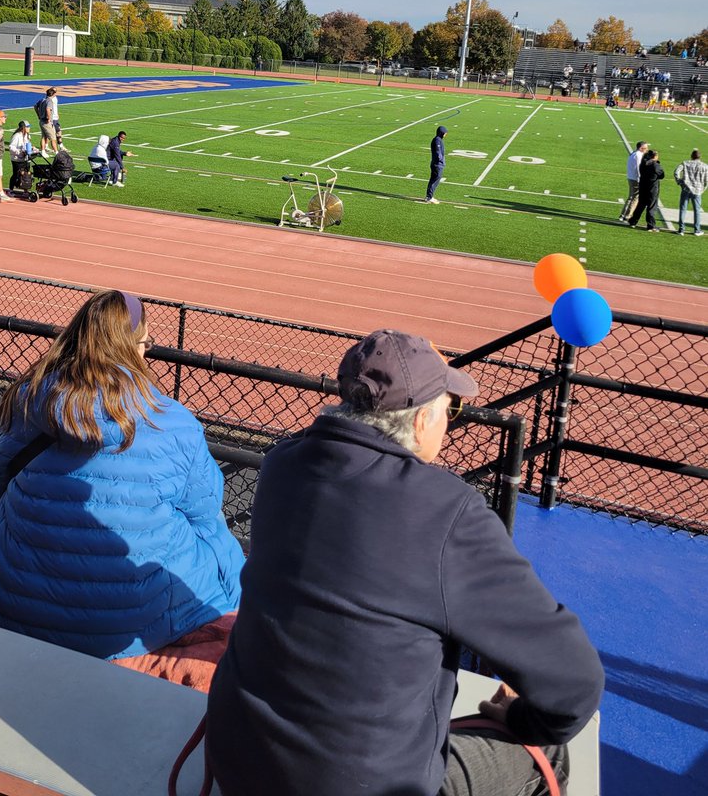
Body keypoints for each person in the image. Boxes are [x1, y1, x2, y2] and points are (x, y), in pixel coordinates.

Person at [205, 330, 604, 796]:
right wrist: (519, 718)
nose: (450, 423)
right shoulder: (446, 511)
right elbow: (573, 685)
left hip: (240, 762)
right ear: (420, 421)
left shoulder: (283, 464)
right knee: (549, 750)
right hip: (359, 785)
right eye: (451, 409)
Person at [0, 290, 244, 660]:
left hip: (11, 600)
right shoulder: (175, 421)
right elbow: (204, 509)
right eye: (145, 344)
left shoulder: (29, 397)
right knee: (213, 541)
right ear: (133, 347)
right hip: (131, 621)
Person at [627, 149, 664, 232]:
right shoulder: (656, 165)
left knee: (641, 205)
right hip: (652, 188)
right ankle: (651, 225)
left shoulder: (643, 163)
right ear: (655, 156)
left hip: (643, 186)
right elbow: (662, 175)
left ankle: (633, 221)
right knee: (651, 206)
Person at [674, 149, 707, 237]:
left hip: (686, 189)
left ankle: (681, 229)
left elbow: (676, 172)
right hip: (697, 191)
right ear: (700, 157)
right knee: (697, 211)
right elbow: (706, 181)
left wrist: (680, 182)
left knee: (683, 209)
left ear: (691, 156)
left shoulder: (685, 163)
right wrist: (702, 189)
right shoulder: (705, 166)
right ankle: (697, 230)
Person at [619, 141, 649, 223]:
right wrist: (641, 179)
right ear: (641, 148)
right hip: (635, 179)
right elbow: (639, 168)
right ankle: (627, 216)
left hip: (631, 177)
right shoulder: (638, 155)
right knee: (635, 198)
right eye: (645, 148)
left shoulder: (634, 153)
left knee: (631, 197)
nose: (647, 150)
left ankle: (623, 214)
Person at [424, 125, 447, 204]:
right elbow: (438, 152)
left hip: (438, 164)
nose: (446, 134)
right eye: (445, 133)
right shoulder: (437, 140)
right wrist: (440, 160)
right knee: (434, 180)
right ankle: (429, 197)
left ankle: (429, 196)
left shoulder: (438, 139)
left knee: (434, 180)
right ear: (441, 133)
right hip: (437, 164)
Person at [8, 120, 34, 190]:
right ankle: (10, 190)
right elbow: (11, 147)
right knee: (16, 175)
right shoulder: (17, 136)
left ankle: (25, 190)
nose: (29, 128)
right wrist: (19, 152)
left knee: (26, 175)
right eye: (27, 127)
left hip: (25, 159)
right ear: (23, 127)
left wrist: (32, 148)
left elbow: (27, 145)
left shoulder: (27, 135)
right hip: (17, 159)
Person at [38, 87, 59, 156]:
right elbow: (48, 109)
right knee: (53, 138)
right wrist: (49, 118)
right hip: (47, 122)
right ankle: (56, 152)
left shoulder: (42, 100)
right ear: (53, 94)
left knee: (44, 137)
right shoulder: (49, 101)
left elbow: (35, 106)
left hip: (41, 121)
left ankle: (43, 151)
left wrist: (39, 115)